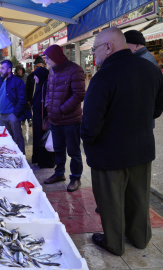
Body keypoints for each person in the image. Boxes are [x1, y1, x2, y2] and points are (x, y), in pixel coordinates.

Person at [81, 27, 163, 256]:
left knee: (111, 202)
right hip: (142, 149)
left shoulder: (104, 76)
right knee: (139, 197)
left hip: (109, 154)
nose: (93, 56)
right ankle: (140, 238)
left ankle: (114, 243)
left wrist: (88, 141)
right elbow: (157, 109)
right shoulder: (151, 69)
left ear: (109, 46)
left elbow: (90, 123)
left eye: (95, 49)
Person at [43, 44, 85, 192]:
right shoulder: (52, 72)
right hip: (55, 120)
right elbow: (48, 91)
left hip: (70, 120)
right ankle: (59, 174)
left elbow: (79, 94)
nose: (46, 61)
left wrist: (62, 109)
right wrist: (49, 106)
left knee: (73, 151)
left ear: (55, 57)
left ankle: (75, 178)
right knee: (58, 149)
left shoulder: (75, 69)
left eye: (48, 58)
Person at [124, 30, 158, 129]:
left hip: (141, 117)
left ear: (137, 45)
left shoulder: (142, 61)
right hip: (145, 114)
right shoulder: (144, 57)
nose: (123, 48)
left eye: (126, 44)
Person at [0, 60, 31, 154]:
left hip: (12, 115)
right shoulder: (1, 80)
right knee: (6, 140)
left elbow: (22, 99)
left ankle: (21, 159)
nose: (0, 70)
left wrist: (15, 114)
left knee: (17, 138)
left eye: (2, 68)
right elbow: (1, 96)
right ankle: (11, 159)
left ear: (9, 70)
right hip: (2, 115)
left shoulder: (18, 82)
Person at [31, 67, 55, 168]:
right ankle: (38, 158)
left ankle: (45, 161)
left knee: (44, 139)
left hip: (43, 119)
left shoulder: (45, 86)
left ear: (41, 75)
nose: (35, 78)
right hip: (37, 118)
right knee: (38, 139)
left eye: (36, 76)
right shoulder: (39, 86)